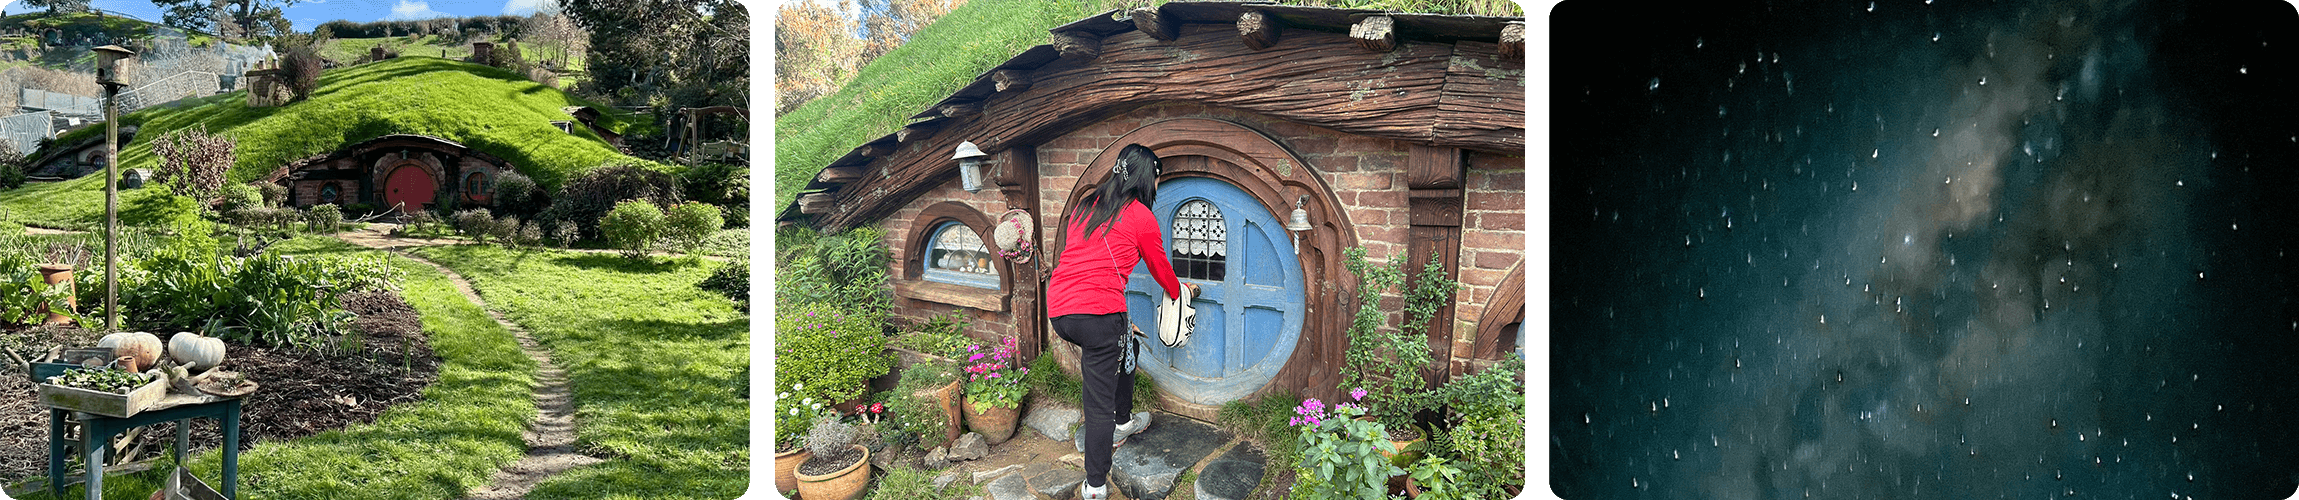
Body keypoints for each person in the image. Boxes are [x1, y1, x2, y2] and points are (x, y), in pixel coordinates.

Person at [1048, 143, 1190, 500]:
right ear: (1148, 178)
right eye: (1157, 179)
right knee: (1098, 406)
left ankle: (1125, 419)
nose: (1157, 187)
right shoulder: (1141, 216)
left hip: (1061, 310)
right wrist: (1179, 292)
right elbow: (1160, 268)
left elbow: (1079, 261)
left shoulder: (1085, 207)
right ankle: (1095, 484)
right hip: (1095, 315)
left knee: (1129, 342)